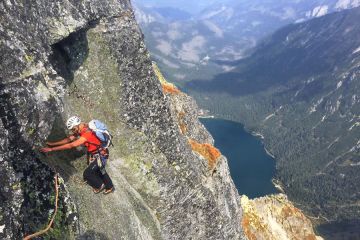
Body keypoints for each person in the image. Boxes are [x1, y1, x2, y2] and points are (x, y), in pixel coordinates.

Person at [40, 116, 114, 194]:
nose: (73, 131)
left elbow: (71, 145)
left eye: (73, 129)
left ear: (76, 126)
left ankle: (99, 186)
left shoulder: (87, 134)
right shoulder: (84, 128)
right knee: (100, 170)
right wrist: (52, 144)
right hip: (100, 153)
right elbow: (69, 139)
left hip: (100, 155)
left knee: (87, 174)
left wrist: (52, 149)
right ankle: (110, 187)